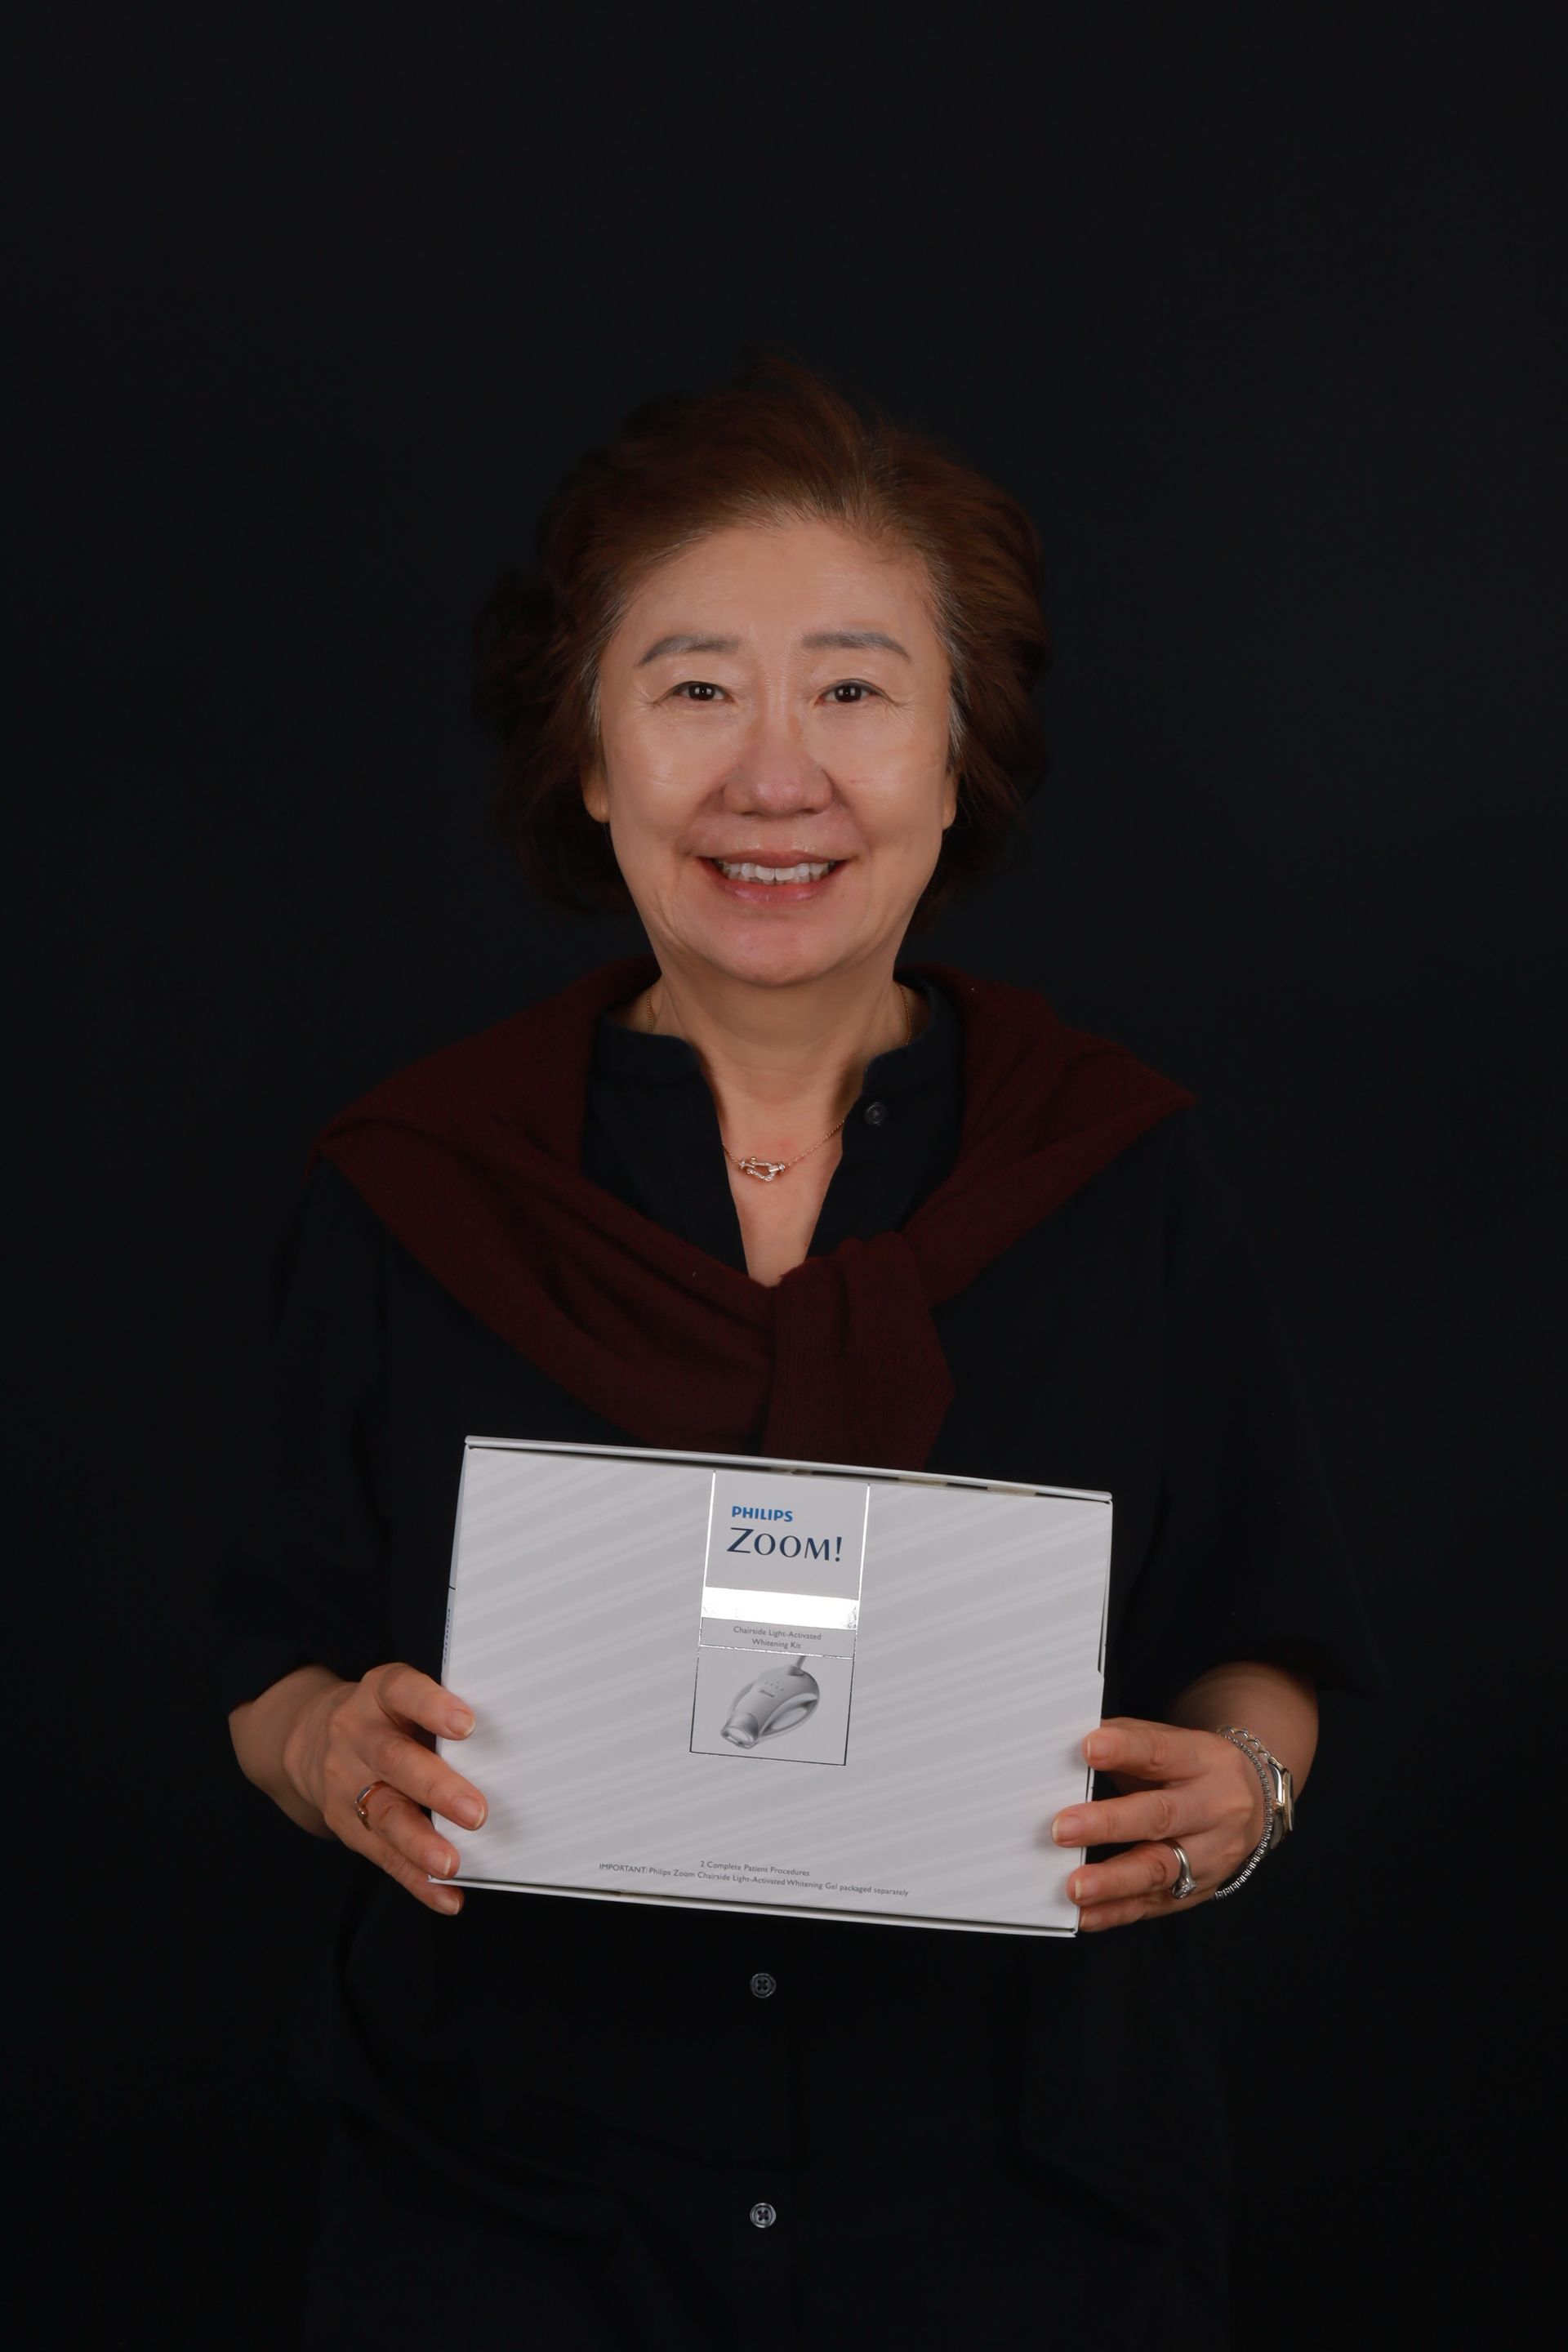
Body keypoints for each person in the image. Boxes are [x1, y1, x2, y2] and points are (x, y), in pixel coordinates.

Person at [224, 350, 1383, 2348]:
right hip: (504, 2217)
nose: (776, 779)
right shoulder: (415, 1183)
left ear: (959, 753)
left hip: (1025, 2223)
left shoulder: (1120, 1173)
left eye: (853, 691)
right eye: (695, 691)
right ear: (590, 758)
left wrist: (1246, 1793)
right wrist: (325, 1748)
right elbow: (270, 1652)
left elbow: (1263, 1633)